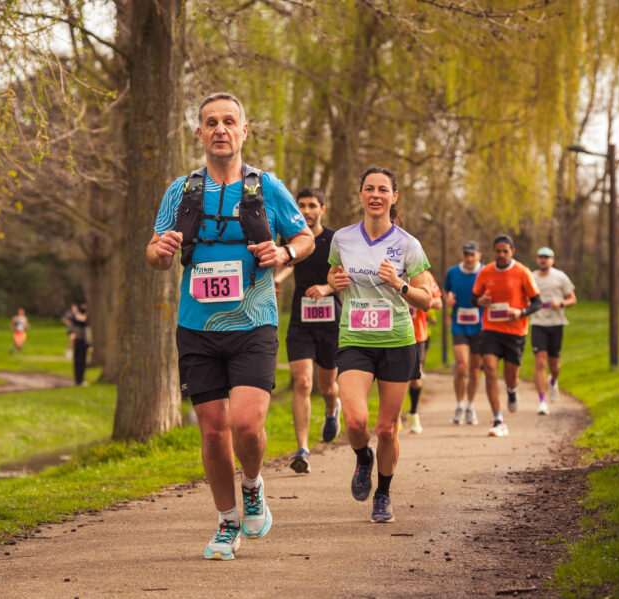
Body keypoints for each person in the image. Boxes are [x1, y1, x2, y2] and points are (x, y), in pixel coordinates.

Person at [147, 92, 314, 560]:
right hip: (196, 326)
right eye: (211, 122)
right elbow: (155, 251)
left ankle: (253, 485)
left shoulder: (268, 187)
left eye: (228, 121)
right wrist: (161, 252)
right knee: (213, 431)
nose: (220, 129)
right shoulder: (181, 190)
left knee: (246, 425)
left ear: (244, 130)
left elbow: (305, 236)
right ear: (199, 133)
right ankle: (226, 522)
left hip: (254, 321)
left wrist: (285, 252)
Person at [327, 167, 435, 523]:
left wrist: (399, 284)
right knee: (356, 421)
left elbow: (427, 299)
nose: (376, 195)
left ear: (394, 196)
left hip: (397, 342)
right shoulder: (342, 239)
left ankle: (384, 493)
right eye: (369, 188)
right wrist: (336, 280)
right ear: (360, 194)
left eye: (383, 189)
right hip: (355, 340)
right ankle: (363, 458)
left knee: (387, 429)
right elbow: (333, 272)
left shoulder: (408, 244)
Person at [273, 188, 341, 474]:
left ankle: (332, 409)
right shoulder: (292, 238)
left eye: (312, 205)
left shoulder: (335, 240)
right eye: (301, 205)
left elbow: (346, 274)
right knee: (302, 383)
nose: (306, 210)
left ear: (322, 209)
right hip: (301, 320)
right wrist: (277, 278)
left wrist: (326, 288)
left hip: (330, 320)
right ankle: (302, 449)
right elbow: (288, 264)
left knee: (326, 386)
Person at [471, 235, 542, 437]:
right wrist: (481, 301)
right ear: (494, 252)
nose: (501, 254)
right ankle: (498, 419)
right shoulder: (485, 272)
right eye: (498, 251)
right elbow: (474, 298)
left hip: (515, 332)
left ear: (512, 251)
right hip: (491, 330)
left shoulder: (522, 272)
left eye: (505, 251)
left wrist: (521, 312)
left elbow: (537, 302)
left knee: (510, 377)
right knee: (490, 371)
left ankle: (512, 390)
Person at [530, 247, 577, 415]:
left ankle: (554, 380)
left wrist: (561, 304)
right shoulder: (531, 278)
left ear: (552, 260)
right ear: (537, 259)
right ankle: (542, 401)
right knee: (540, 361)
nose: (543, 260)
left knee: (554, 365)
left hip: (556, 323)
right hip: (538, 323)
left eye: (547, 257)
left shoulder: (560, 277)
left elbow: (573, 298)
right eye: (541, 257)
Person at [443, 241, 484, 426]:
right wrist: (448, 299)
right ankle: (459, 405)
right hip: (459, 325)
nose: (469, 258)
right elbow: (446, 290)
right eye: (466, 254)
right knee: (461, 366)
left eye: (472, 254)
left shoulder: (485, 272)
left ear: (478, 255)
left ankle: (470, 406)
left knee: (474, 370)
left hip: (479, 327)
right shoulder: (453, 272)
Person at [402, 276, 442, 434]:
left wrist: (417, 299)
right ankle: (395, 418)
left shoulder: (424, 275)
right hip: (395, 333)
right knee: (396, 377)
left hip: (417, 334)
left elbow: (438, 302)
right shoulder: (390, 270)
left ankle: (413, 412)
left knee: (415, 378)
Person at [69, 303, 90, 386]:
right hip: (81, 343)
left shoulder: (76, 320)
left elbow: (71, 330)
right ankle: (79, 380)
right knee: (80, 361)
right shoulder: (84, 322)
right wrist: (89, 345)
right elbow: (87, 335)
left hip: (79, 343)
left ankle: (79, 379)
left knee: (79, 361)